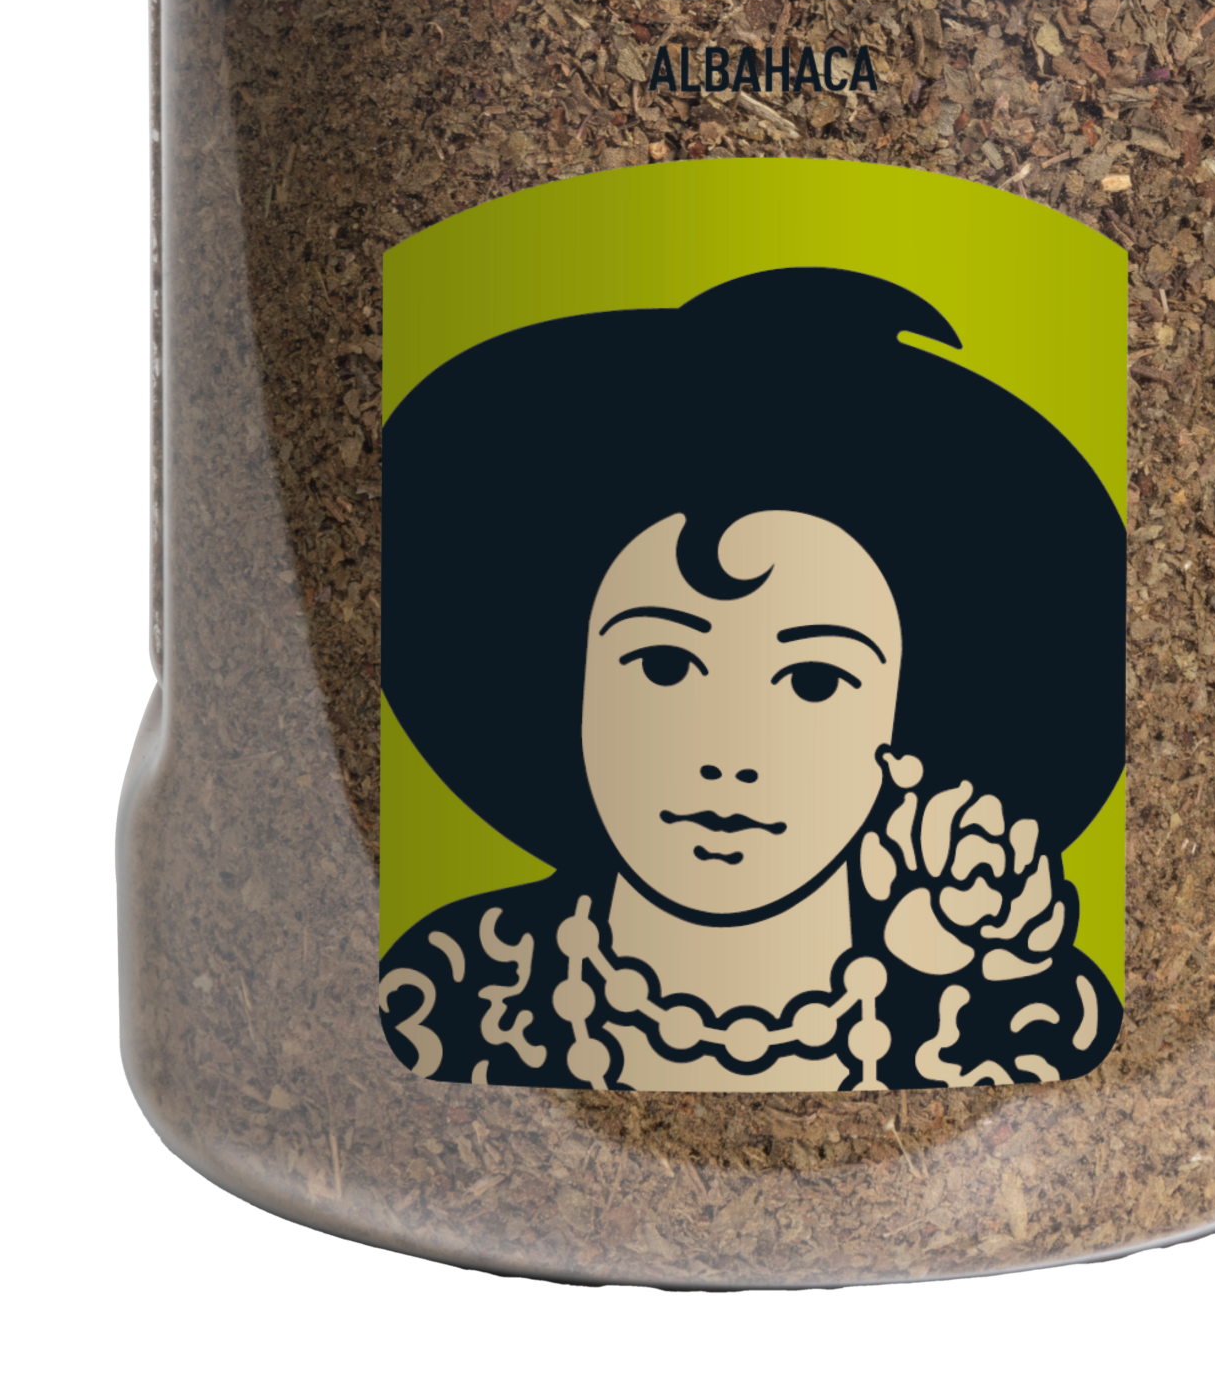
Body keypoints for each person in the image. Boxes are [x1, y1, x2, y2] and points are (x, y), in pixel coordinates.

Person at [381, 266, 1124, 1089]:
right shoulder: (455, 990)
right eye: (664, 665)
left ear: (911, 720)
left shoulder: (1025, 1010)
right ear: (567, 684)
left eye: (813, 681)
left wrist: (947, 971)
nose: (726, 754)